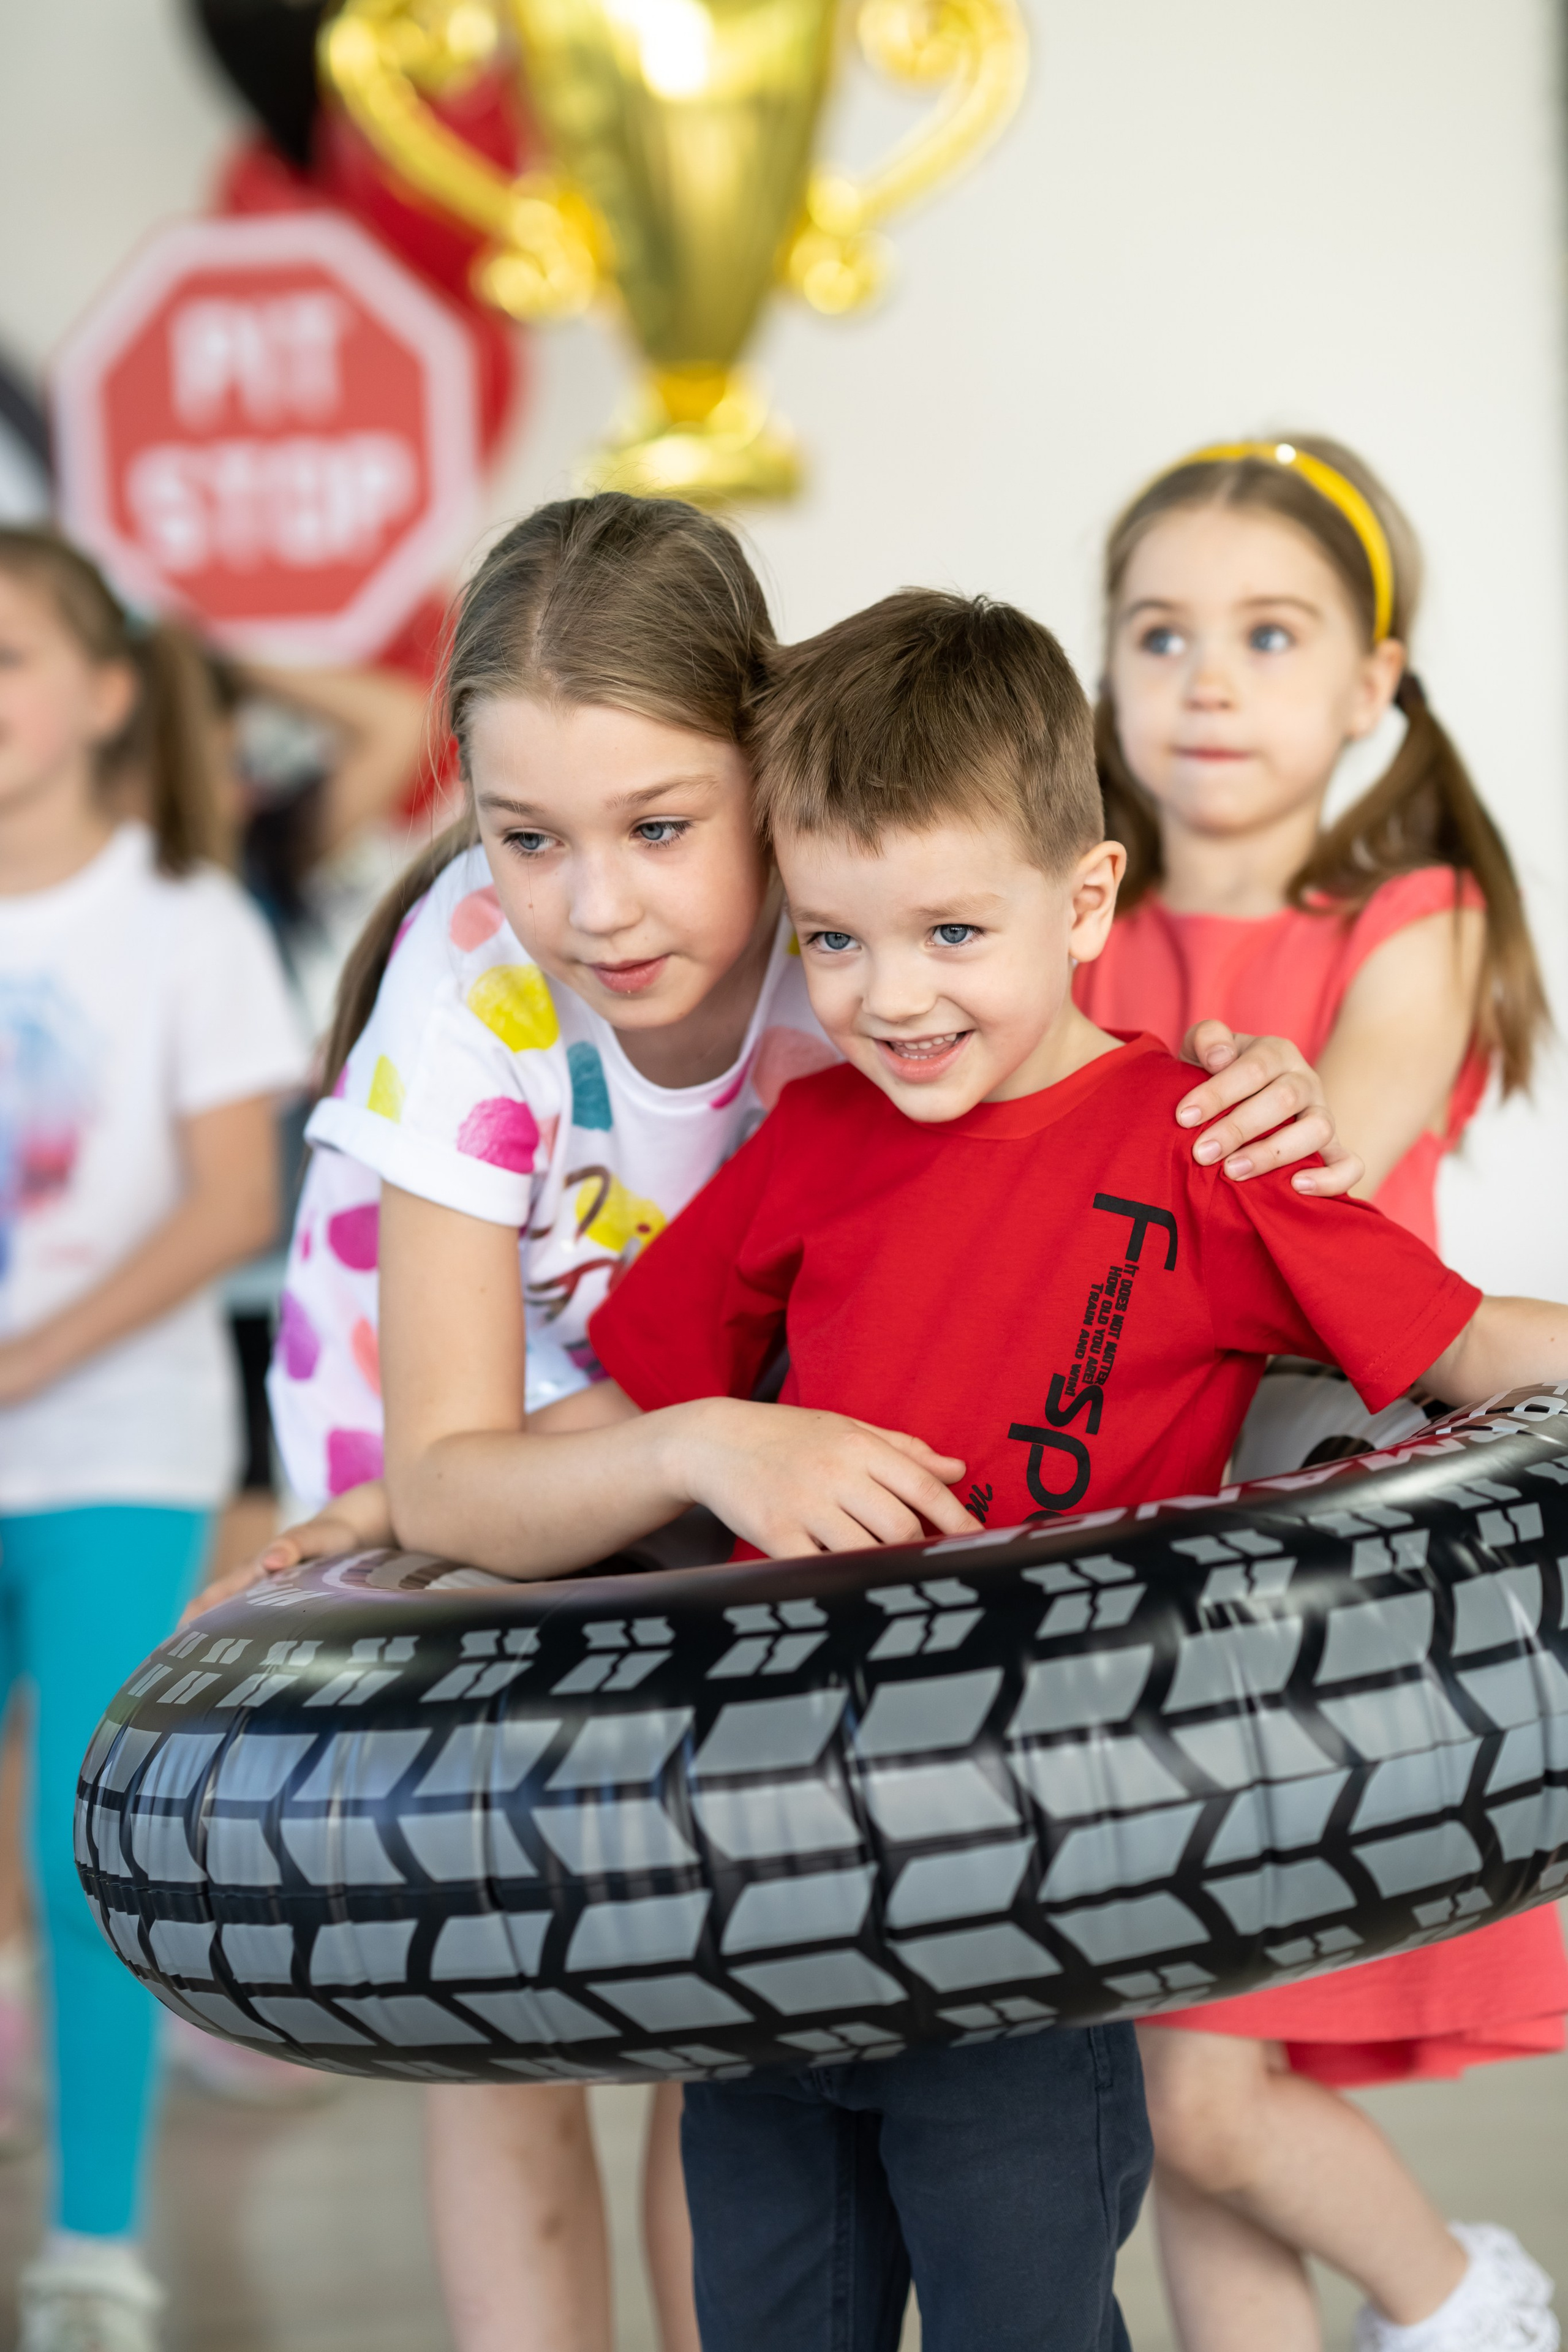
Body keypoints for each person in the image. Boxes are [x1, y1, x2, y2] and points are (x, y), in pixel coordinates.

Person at [208, 491, 1357, 2352]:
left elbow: (1068, 1054)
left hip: (723, 1413)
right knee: (508, 2004)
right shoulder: (475, 986)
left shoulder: (861, 936)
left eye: (660, 827)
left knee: (720, 1947)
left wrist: (1251, 1075)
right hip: (470, 1434)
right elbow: (456, 1466)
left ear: (772, 778)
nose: (596, 905)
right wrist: (679, 1447)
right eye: (527, 835)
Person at [576, 586, 1568, 2352]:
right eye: (834, 939)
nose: (891, 997)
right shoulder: (809, 1139)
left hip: (1034, 1904)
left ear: (1088, 900)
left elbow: (1473, 1346)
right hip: (773, 1880)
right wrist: (380, 1523)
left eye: (953, 931)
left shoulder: (1206, 1148)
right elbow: (629, 1424)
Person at [1078, 437, 1566, 2352]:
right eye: (1162, 634)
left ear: (1372, 683)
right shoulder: (1065, 921)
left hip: (1311, 1576)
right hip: (1117, 1557)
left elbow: (1319, 1186)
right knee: (1185, 2097)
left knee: (1198, 2093)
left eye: (1269, 637)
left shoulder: (1412, 917)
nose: (1208, 680)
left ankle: (1463, 2308)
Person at [0, 530, 305, 2351]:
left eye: (10, 660)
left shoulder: (187, 921)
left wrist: (26, 1361)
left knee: (80, 1849)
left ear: (112, 695)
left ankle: (95, 2244)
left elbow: (232, 1203)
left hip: (120, 1450)